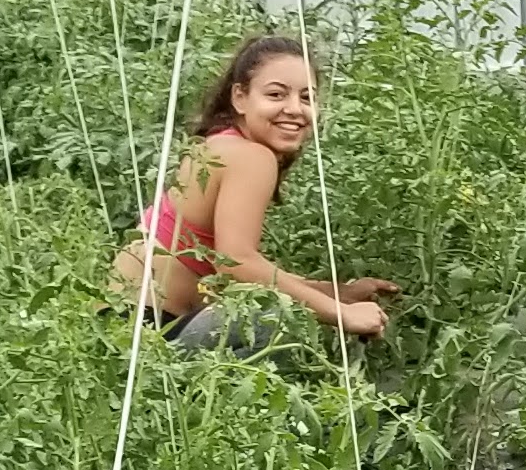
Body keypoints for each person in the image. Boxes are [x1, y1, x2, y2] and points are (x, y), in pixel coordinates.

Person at [116, 32, 394, 345]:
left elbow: (233, 264)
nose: (294, 109)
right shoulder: (252, 157)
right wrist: (341, 314)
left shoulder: (221, 143)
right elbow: (236, 263)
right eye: (276, 95)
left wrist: (335, 293)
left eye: (307, 97)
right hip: (149, 336)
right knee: (274, 317)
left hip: (119, 327)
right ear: (240, 97)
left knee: (281, 305)